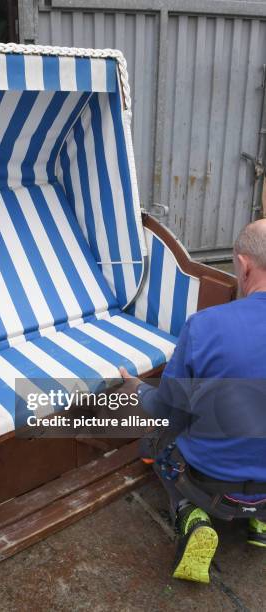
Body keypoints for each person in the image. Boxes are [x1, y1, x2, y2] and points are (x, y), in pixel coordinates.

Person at [120, 219, 266, 584]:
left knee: (158, 441)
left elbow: (168, 407)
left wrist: (137, 388)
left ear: (244, 265)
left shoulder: (205, 326)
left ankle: (191, 515)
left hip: (212, 482)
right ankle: (259, 521)